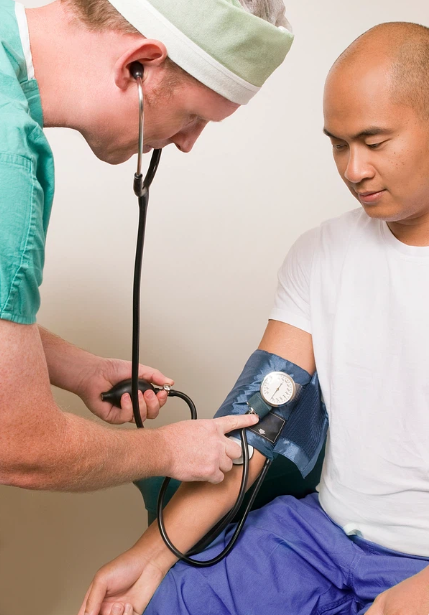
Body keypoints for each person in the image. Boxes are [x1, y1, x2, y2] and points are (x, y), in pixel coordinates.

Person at [79, 20, 429, 615]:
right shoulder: (320, 255)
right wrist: (149, 556)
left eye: (374, 142)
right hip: (318, 537)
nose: (353, 170)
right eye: (338, 144)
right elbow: (259, 425)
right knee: (168, 602)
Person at [0, 0, 294, 492]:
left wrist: (77, 368)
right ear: (138, 65)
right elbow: (19, 446)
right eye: (193, 117)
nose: (186, 143)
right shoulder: (9, 163)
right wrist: (169, 448)